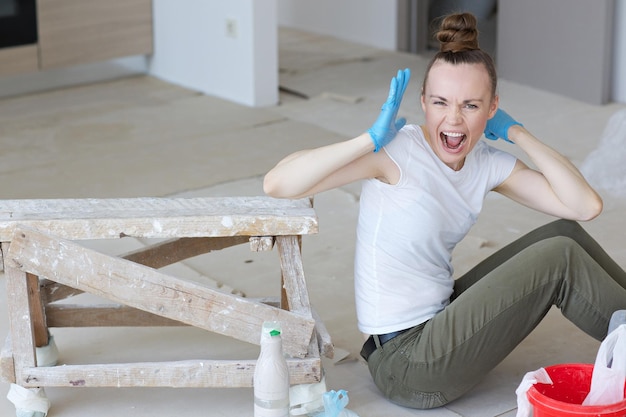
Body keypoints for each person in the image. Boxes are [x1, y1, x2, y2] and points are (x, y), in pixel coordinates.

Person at [263, 12, 626, 409]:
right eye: (440, 103)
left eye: (471, 105)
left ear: (493, 108)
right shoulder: (395, 154)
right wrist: (368, 139)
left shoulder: (486, 162)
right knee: (560, 259)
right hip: (407, 363)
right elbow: (278, 183)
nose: (453, 120)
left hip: (438, 322)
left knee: (564, 236)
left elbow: (584, 207)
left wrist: (517, 133)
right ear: (423, 103)